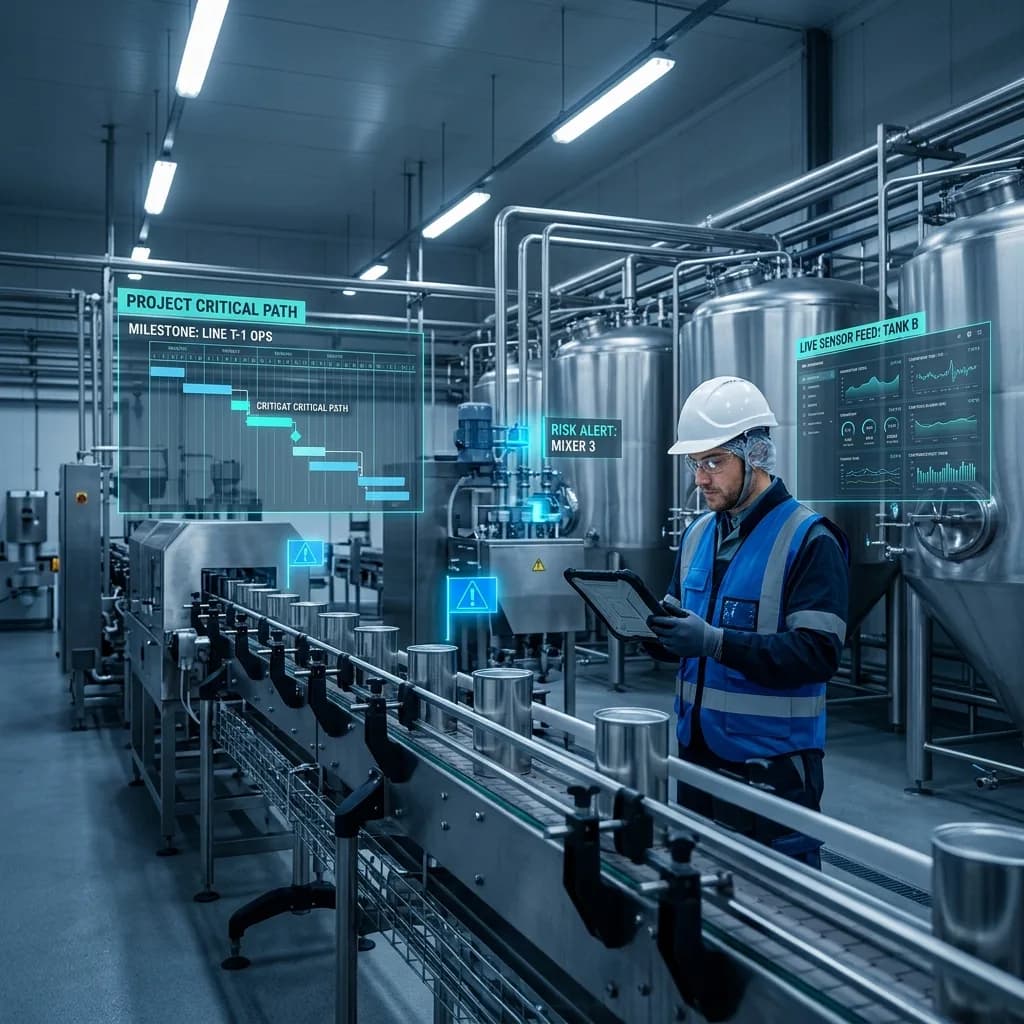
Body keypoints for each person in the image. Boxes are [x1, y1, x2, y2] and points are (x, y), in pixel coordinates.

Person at [646, 376, 849, 868]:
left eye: (714, 462)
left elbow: (817, 655)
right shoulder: (697, 535)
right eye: (696, 464)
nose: (701, 479)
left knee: (779, 899)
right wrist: (645, 631)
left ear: (755, 455)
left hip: (772, 762)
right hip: (696, 751)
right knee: (699, 884)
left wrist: (716, 643)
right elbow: (677, 631)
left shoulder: (810, 539)